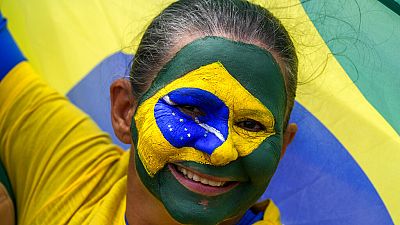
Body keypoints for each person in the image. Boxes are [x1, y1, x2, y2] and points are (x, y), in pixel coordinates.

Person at [0, 0, 298, 224]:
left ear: (282, 146)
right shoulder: (75, 175)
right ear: (125, 110)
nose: (219, 150)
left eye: (250, 124)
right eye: (190, 109)